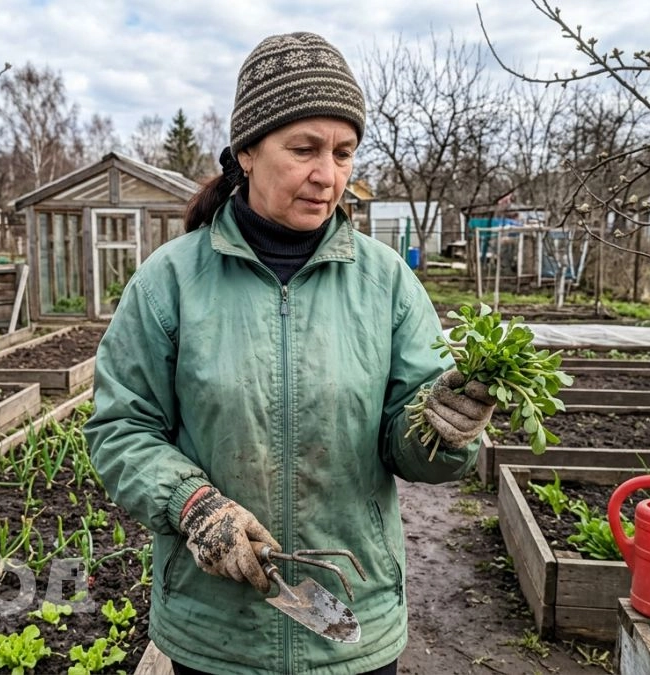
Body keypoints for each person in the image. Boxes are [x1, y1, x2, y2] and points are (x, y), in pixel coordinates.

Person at [85, 31, 496, 675]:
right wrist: (192, 505)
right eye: (304, 149)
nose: (327, 175)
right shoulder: (171, 282)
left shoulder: (386, 283)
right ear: (247, 152)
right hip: (215, 629)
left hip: (351, 621)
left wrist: (441, 430)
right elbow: (121, 427)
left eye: (343, 152)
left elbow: (406, 445)